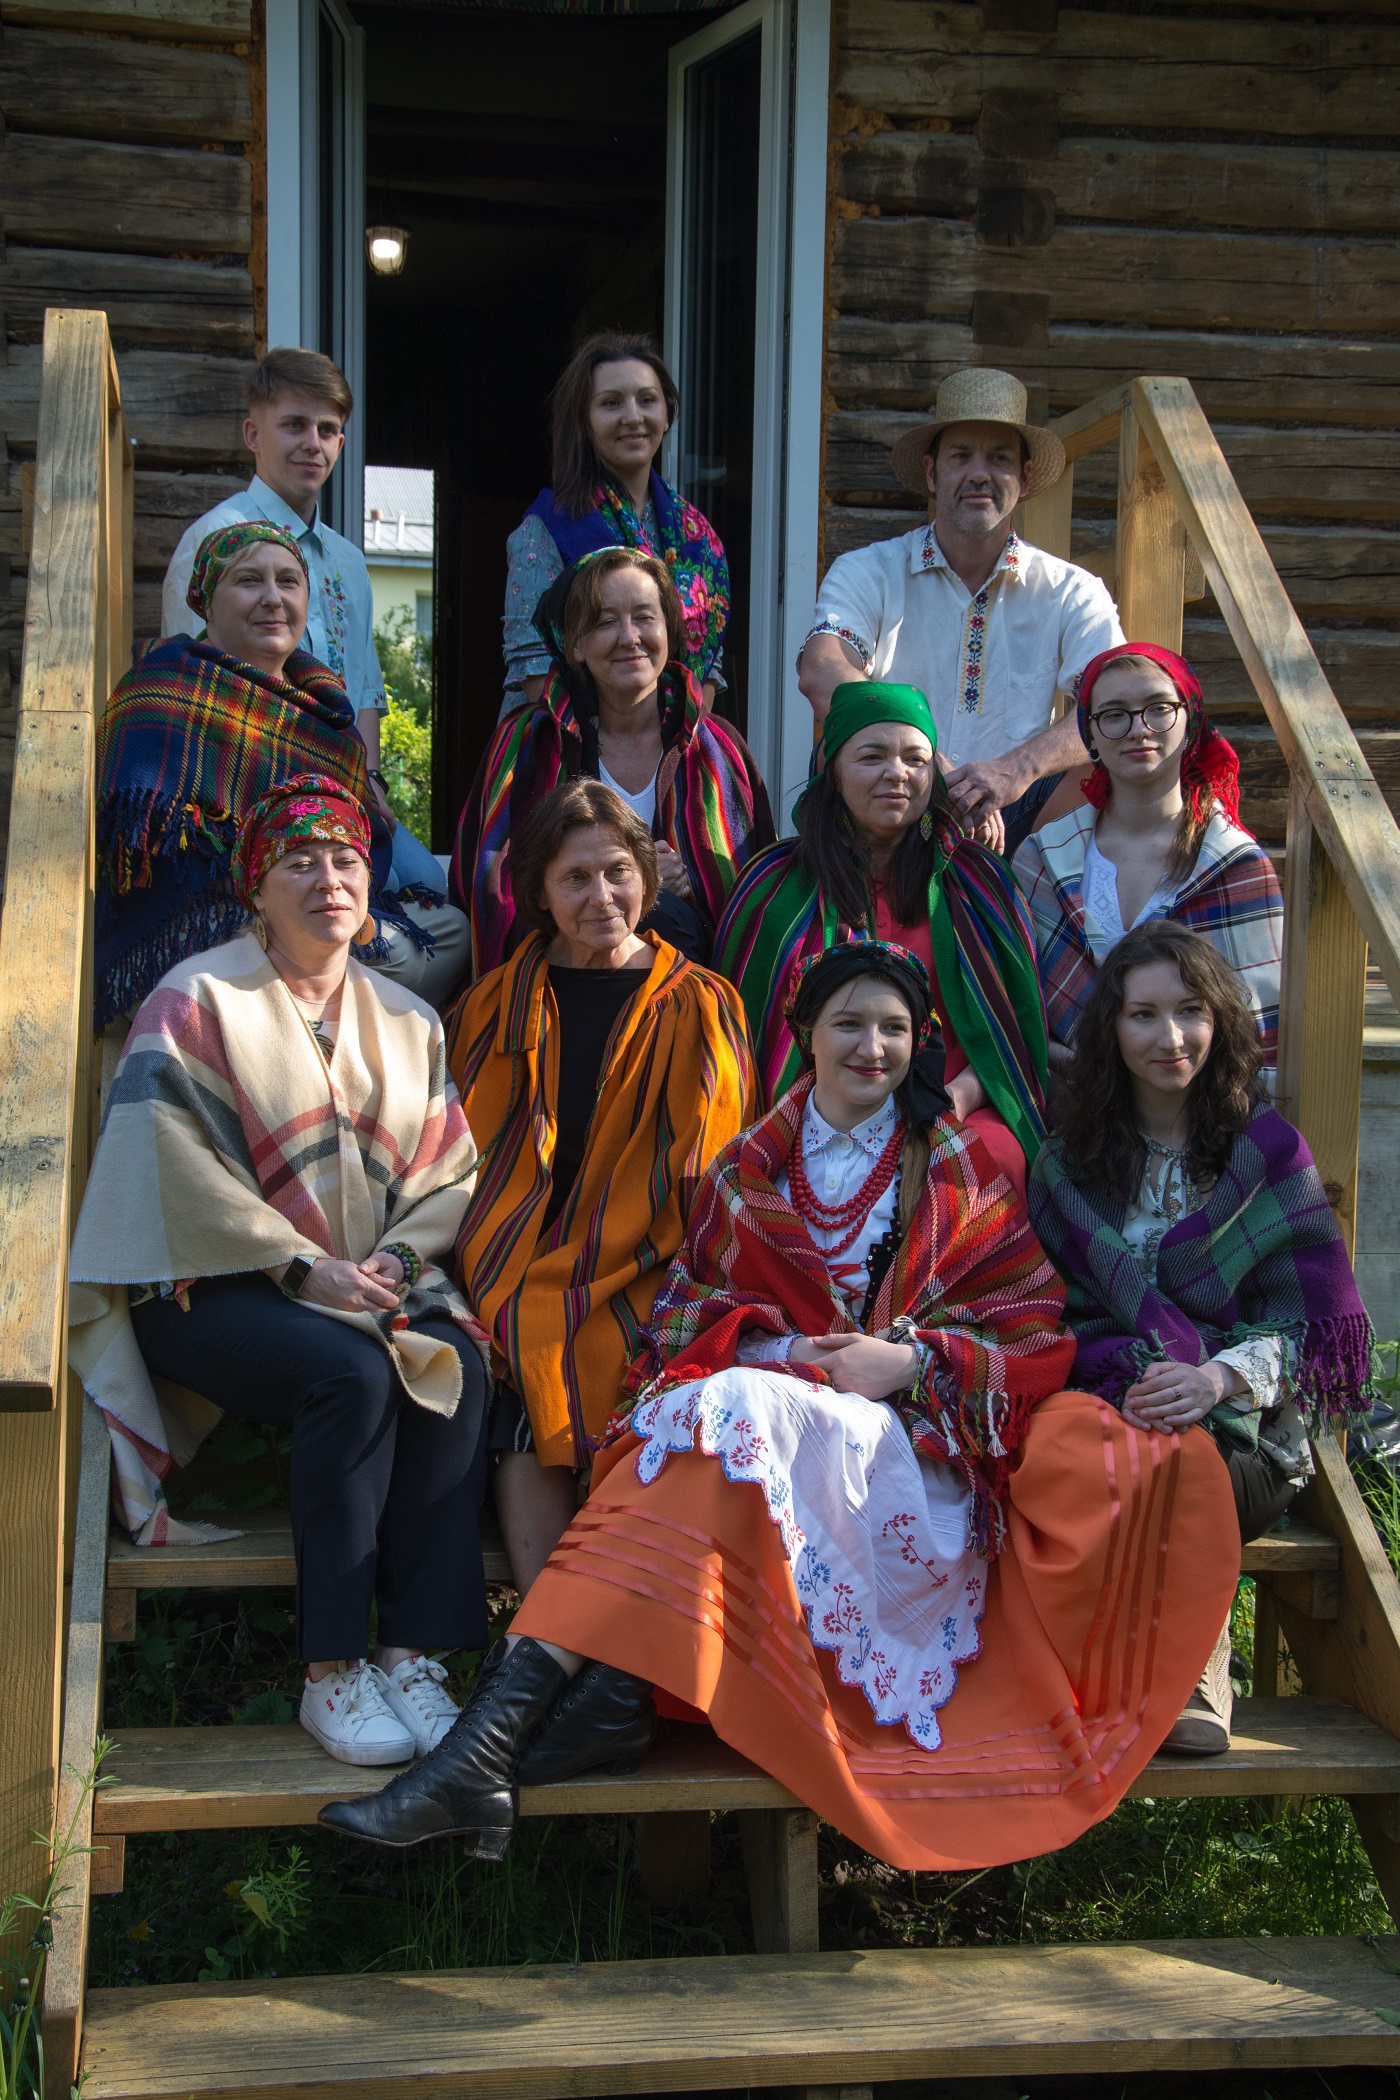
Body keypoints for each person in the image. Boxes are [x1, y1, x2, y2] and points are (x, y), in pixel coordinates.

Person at [319, 941, 1237, 1867]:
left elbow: (1029, 1332)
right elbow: (684, 1319)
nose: (872, 1048)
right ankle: (558, 1723)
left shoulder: (958, 1167)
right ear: (805, 1033)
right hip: (768, 1427)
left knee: (725, 1419)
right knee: (723, 1422)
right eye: (849, 1024)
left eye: (894, 1029)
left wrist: (906, 1361)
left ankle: (516, 1735)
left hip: (906, 1449)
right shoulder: (747, 1169)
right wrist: (789, 1352)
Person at [70, 778, 492, 1768]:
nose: (328, 879)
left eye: (345, 860)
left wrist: (394, 1258)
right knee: (348, 1374)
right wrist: (302, 1266)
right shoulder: (194, 999)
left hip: (369, 1282)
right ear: (255, 889)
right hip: (210, 1289)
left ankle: (411, 1656)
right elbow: (166, 1170)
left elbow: (448, 1169)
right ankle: (330, 1672)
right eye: (299, 862)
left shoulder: (407, 1018)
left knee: (464, 1366)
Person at [1029, 922, 1374, 1754]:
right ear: (1111, 1029)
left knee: (1183, 1451)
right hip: (1102, 1400)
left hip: (1244, 1436)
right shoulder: (1067, 1165)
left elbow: (1315, 1329)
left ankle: (1196, 1665)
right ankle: (1065, 1678)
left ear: (1220, 1019)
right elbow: (1049, 1315)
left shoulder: (1268, 1154)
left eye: (1190, 1011)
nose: (1171, 1037)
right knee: (1083, 1453)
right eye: (1143, 1014)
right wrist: (1130, 1376)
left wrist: (1213, 1379)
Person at [446, 777, 757, 1602]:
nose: (601, 897)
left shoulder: (703, 1004)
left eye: (618, 872)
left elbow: (713, 1175)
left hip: (652, 1256)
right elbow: (457, 1163)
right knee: (521, 1334)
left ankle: (593, 1639)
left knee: (600, 1341)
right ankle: (550, 1628)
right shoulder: (490, 1006)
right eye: (575, 878)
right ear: (540, 893)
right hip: (514, 1253)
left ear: (646, 878)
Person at [96, 522, 460, 1026]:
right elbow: (151, 851)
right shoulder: (163, 687)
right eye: (249, 581)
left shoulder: (322, 702)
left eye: (288, 582)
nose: (273, 598)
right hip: (217, 911)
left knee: (452, 932)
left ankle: (313, 1014)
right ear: (207, 602)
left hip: (320, 895)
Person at [161, 346, 455, 950]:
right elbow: (185, 686)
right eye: (294, 425)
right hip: (248, 787)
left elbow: (363, 686)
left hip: (341, 785)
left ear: (341, 444)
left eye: (326, 430)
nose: (312, 444)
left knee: (430, 885)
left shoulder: (348, 561)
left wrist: (369, 783)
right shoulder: (215, 539)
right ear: (254, 434)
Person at [713, 680, 1047, 1198]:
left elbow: (1009, 1032)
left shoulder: (979, 882)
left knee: (990, 1160)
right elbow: (748, 1040)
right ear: (834, 772)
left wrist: (955, 1098)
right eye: (872, 757)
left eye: (916, 759)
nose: (897, 772)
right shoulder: (774, 886)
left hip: (956, 1101)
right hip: (814, 1107)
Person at [797, 368, 1123, 851]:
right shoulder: (869, 570)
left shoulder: (1071, 589)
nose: (979, 473)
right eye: (961, 455)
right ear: (932, 473)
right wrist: (928, 762)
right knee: (835, 748)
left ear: (1024, 478)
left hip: (1016, 808)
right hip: (898, 790)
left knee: (1105, 758)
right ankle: (865, 891)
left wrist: (1016, 770)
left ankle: (1030, 880)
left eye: (999, 458)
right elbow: (821, 669)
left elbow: (1115, 704)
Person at [454, 548, 773, 973]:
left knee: (665, 916)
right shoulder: (528, 744)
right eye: (606, 622)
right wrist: (631, 879)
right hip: (557, 978)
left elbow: (757, 897)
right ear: (576, 644)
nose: (629, 637)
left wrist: (687, 885)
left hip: (686, 984)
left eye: (644, 617)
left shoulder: (717, 748)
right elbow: (495, 887)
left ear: (668, 630)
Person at [1014, 643, 1284, 1079]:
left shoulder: (1235, 866)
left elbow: (1258, 1030)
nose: (1139, 729)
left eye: (1159, 708)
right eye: (1114, 714)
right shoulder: (1041, 859)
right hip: (1063, 1102)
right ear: (1090, 734)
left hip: (1202, 1108)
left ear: (1190, 720)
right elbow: (1015, 1012)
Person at [502, 332, 729, 713]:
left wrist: (676, 740)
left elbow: (706, 670)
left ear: (667, 413)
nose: (633, 417)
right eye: (611, 403)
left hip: (677, 740)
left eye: (647, 400)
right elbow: (535, 672)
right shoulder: (548, 530)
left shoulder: (698, 539)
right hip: (563, 740)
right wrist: (623, 745)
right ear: (583, 419)